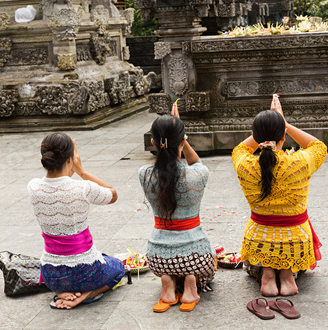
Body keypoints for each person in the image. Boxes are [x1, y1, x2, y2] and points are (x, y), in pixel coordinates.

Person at [232, 95, 327, 297]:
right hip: (296, 241)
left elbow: (240, 148)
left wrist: (262, 132)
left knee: (265, 245)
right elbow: (319, 146)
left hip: (259, 240)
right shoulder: (300, 162)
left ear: (255, 138)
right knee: (287, 246)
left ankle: (267, 275)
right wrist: (286, 125)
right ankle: (287, 276)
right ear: (283, 136)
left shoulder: (244, 164)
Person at [28, 132, 125, 309]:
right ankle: (85, 295)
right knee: (118, 267)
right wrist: (81, 170)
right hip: (85, 272)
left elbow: (58, 185)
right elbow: (113, 194)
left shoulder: (33, 186)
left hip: (51, 275)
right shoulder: (83, 187)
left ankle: (62, 293)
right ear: (70, 159)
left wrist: (70, 164)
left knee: (101, 258)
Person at [139, 105, 215, 313]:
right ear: (183, 141)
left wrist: (175, 135)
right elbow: (195, 161)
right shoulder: (199, 174)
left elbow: (166, 165)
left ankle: (168, 284)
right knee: (208, 266)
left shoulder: (144, 174)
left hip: (157, 258)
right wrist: (182, 137)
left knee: (168, 265)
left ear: (153, 142)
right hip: (196, 256)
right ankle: (191, 283)